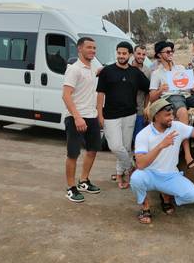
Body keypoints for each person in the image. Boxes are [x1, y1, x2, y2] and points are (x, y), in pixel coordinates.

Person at [130, 98, 194, 224]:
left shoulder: (177, 127)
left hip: (170, 175)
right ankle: (145, 207)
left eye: (172, 114)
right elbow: (140, 164)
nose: (172, 117)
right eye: (167, 115)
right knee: (136, 179)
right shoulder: (143, 135)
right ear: (156, 117)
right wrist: (160, 146)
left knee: (192, 195)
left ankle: (166, 196)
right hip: (149, 174)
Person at [97, 41, 150, 189]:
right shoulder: (107, 71)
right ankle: (132, 167)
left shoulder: (135, 73)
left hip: (130, 115)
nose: (121, 56)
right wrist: (99, 115)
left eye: (124, 53)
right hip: (110, 116)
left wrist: (147, 106)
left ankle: (121, 174)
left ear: (129, 54)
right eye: (119, 53)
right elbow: (100, 94)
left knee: (126, 147)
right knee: (115, 146)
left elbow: (149, 88)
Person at [62, 37, 101, 203]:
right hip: (76, 117)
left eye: (94, 48)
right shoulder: (74, 69)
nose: (92, 50)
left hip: (91, 116)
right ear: (80, 49)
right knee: (73, 154)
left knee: (92, 150)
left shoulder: (92, 68)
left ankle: (83, 181)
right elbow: (66, 95)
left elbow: (102, 71)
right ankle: (71, 188)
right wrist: (77, 117)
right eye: (89, 47)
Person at [149, 41, 194, 168]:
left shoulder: (181, 69)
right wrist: (160, 90)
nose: (171, 53)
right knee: (182, 111)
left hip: (185, 95)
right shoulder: (156, 74)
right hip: (171, 97)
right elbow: (152, 97)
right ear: (159, 55)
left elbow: (188, 88)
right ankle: (188, 155)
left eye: (172, 51)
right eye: (167, 51)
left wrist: (193, 86)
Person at [131, 44, 151, 143]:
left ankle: (137, 157)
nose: (141, 56)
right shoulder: (126, 67)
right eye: (138, 53)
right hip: (126, 109)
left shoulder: (148, 71)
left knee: (138, 137)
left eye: (143, 54)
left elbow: (148, 92)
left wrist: (146, 108)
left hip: (139, 109)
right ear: (133, 53)